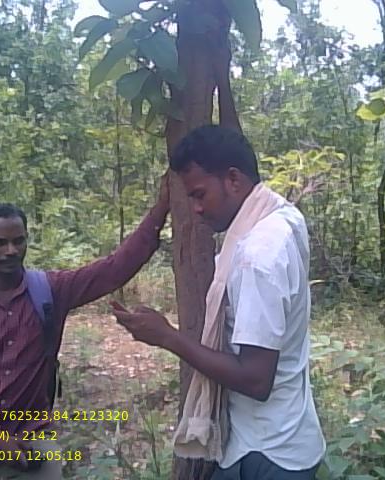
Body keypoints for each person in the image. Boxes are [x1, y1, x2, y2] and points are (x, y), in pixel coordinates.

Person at [112, 125, 326, 480]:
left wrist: (167, 337)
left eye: (200, 194)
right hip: (280, 437)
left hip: (267, 455)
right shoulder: (283, 215)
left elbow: (256, 380)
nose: (196, 209)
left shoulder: (257, 255)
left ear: (233, 180)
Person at [0, 176, 169, 480]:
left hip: (32, 444)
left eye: (18, 241)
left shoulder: (49, 290)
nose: (11, 250)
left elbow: (113, 269)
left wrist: (161, 210)